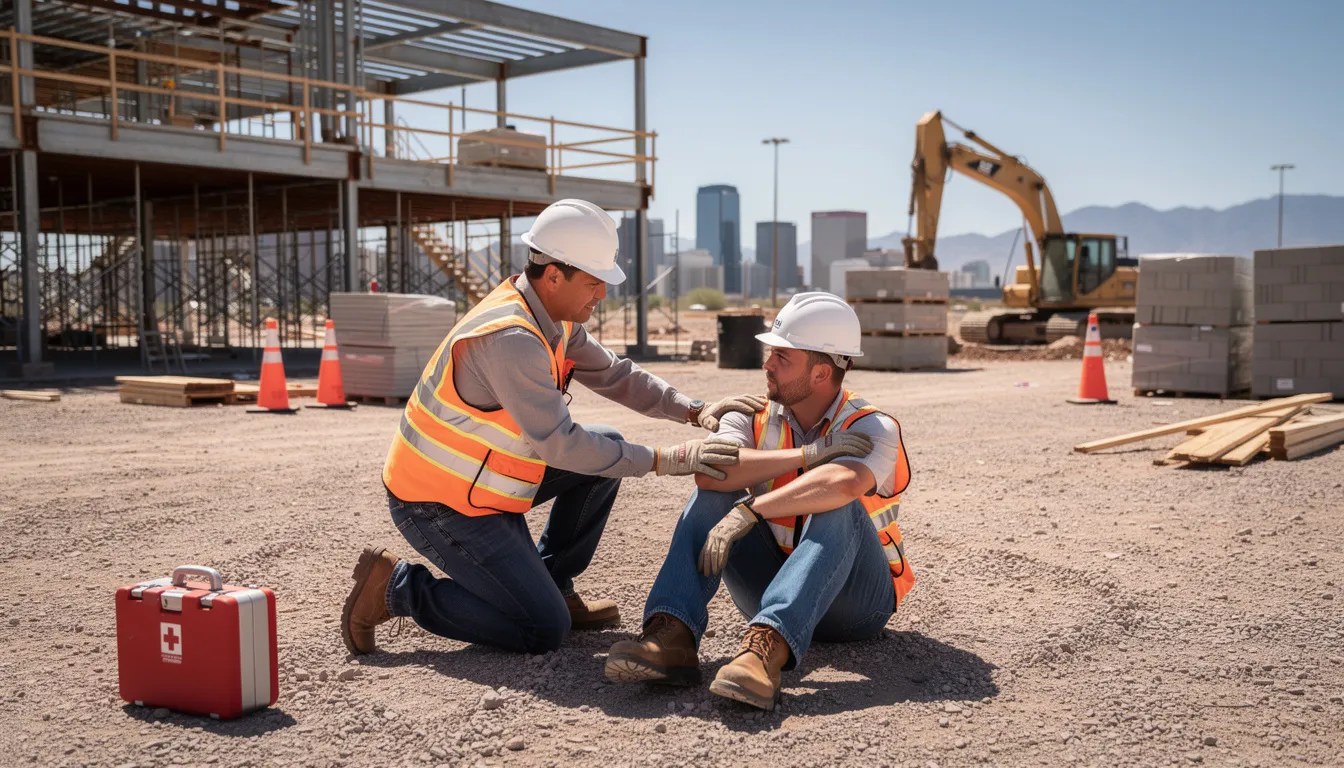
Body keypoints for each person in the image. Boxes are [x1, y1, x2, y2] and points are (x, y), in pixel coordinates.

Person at [340, 199, 764, 656]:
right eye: (594, 281)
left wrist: (693, 409)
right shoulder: (512, 339)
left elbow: (615, 375)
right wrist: (668, 459)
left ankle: (551, 582)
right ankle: (396, 588)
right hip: (437, 503)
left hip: (480, 484)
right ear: (555, 275)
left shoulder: (552, 318)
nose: (602, 294)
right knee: (541, 629)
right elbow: (561, 446)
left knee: (610, 448)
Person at [604, 292, 914, 710]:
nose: (766, 364)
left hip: (855, 604)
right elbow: (711, 473)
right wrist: (806, 455)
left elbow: (842, 484)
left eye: (782, 357)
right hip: (769, 583)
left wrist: (752, 509)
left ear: (822, 373)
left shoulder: (871, 426)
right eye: (770, 352)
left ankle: (765, 646)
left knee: (838, 501)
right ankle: (672, 636)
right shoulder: (749, 413)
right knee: (712, 493)